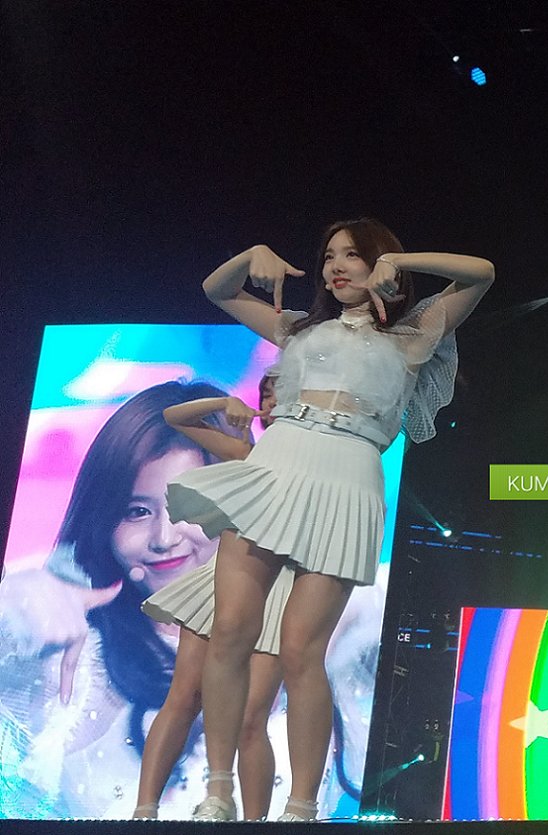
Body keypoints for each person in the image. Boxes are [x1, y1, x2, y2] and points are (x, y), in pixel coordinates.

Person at [169, 218, 493, 820]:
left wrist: (402, 261)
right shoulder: (298, 328)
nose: (335, 267)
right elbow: (219, 290)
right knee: (232, 629)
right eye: (328, 257)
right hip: (277, 463)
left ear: (379, 263)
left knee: (300, 650)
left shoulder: (414, 334)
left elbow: (481, 273)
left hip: (349, 474)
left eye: (352, 255)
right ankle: (217, 791)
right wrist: (252, 250)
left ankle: (302, 806)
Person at [0, 380, 239, 817]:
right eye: (137, 512)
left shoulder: (320, 636)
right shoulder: (69, 664)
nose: (165, 538)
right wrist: (12, 608)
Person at [134, 372, 294, 819]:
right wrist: (224, 405)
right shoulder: (245, 453)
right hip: (223, 580)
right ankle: (144, 812)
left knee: (251, 715)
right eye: (267, 395)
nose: (272, 402)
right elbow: (176, 416)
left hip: (279, 589)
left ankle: (252, 820)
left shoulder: (323, 466)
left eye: (283, 393)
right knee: (184, 695)